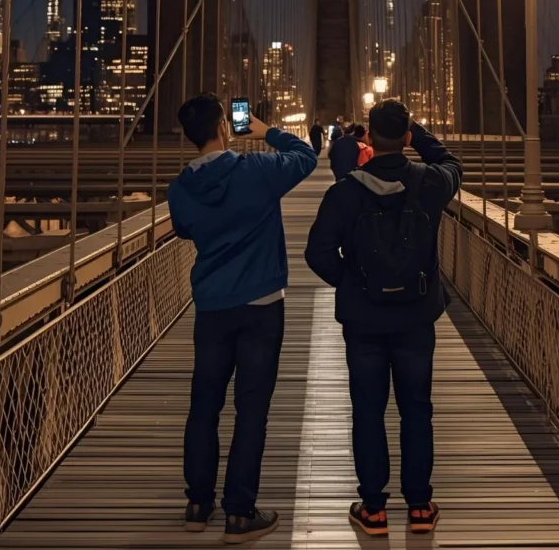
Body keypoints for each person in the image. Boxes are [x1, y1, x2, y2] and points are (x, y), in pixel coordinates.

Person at [304, 99, 462, 537]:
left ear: (367, 138)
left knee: (368, 412)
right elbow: (451, 162)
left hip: (365, 323)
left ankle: (373, 509)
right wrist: (420, 134)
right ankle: (419, 508)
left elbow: (316, 253)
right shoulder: (430, 182)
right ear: (408, 138)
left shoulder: (345, 192)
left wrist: (353, 284)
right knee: (417, 411)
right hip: (415, 318)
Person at [168, 92, 318, 544]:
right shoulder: (256, 171)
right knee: (251, 410)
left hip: (211, 307)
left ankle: (197, 504)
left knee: (204, 405)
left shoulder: (179, 188)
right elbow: (306, 155)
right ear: (223, 128)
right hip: (261, 306)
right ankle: (239, 513)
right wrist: (263, 129)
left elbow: (183, 229)